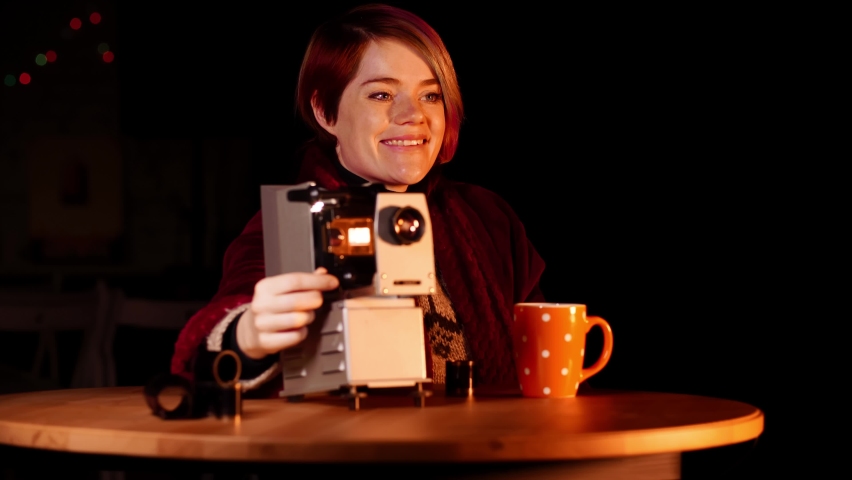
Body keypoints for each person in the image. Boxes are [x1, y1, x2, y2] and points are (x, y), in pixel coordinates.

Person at [171, 4, 546, 396]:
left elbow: (541, 346)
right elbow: (215, 341)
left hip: (491, 449)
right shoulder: (300, 220)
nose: (412, 114)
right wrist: (247, 334)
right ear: (324, 111)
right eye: (381, 94)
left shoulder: (487, 217)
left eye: (431, 95)